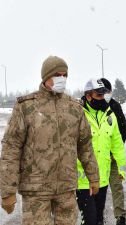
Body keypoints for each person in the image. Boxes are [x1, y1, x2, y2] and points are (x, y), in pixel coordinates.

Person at [0, 56, 99, 225]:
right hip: (36, 189)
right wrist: (7, 190)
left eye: (64, 75)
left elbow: (85, 145)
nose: (62, 79)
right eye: (57, 75)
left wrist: (93, 176)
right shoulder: (27, 107)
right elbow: (11, 148)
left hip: (66, 188)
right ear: (46, 77)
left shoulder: (74, 108)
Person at [76, 78, 126, 225]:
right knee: (90, 220)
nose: (102, 98)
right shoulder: (78, 115)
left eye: (104, 94)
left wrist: (122, 169)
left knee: (98, 218)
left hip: (102, 178)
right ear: (88, 95)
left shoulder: (110, 115)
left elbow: (117, 143)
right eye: (98, 95)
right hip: (83, 180)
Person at [100, 77, 126, 224]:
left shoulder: (115, 106)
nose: (105, 94)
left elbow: (123, 129)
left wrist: (115, 151)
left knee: (116, 186)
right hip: (97, 158)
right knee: (98, 189)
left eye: (108, 91)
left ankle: (120, 215)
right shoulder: (90, 107)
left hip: (113, 158)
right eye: (103, 91)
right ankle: (97, 215)